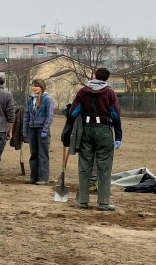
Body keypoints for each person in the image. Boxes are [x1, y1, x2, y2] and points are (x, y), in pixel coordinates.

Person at [66, 67, 123, 211]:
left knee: (85, 166)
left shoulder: (83, 91)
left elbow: (73, 113)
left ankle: (83, 201)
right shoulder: (110, 93)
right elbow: (115, 115)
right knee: (104, 167)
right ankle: (103, 202)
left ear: (94, 76)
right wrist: (118, 136)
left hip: (86, 130)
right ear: (106, 79)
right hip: (104, 130)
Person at [22, 78, 54, 184]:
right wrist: (25, 130)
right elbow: (27, 114)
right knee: (34, 153)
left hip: (42, 130)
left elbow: (49, 115)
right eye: (33, 86)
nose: (34, 88)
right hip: (32, 129)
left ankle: (43, 178)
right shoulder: (31, 99)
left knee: (43, 154)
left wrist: (45, 129)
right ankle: (33, 177)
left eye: (36, 86)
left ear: (41, 87)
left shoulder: (47, 99)